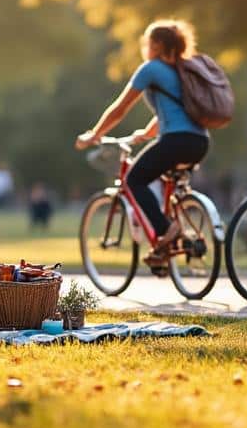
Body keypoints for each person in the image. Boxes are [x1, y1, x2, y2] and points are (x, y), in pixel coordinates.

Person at [75, 19, 210, 269]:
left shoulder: (151, 69)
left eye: (147, 42)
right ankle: (165, 247)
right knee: (163, 179)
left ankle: (166, 229)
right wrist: (147, 133)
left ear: (157, 45)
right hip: (200, 141)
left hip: (176, 141)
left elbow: (120, 108)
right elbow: (170, 111)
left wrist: (94, 134)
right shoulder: (183, 68)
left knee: (134, 180)